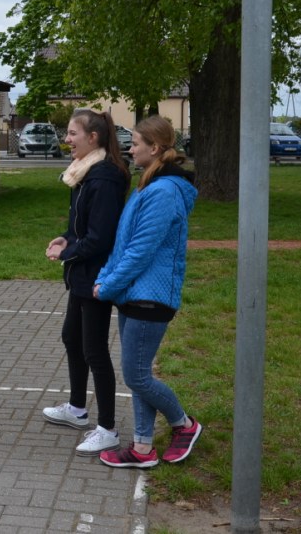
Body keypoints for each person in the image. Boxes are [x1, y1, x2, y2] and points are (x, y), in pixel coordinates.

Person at [93, 115, 202, 469]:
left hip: (151, 297)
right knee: (139, 375)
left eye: (136, 143)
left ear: (154, 148)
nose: (130, 147)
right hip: (134, 295)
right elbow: (124, 243)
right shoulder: (148, 186)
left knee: (137, 376)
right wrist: (107, 277)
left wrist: (108, 285)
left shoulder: (164, 192)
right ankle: (142, 448)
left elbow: (141, 251)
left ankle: (184, 424)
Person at [42, 109, 130, 455]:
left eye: (72, 133)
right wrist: (65, 239)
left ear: (93, 138)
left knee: (94, 350)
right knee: (71, 337)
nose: (67, 139)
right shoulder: (84, 173)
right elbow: (80, 228)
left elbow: (100, 238)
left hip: (95, 277)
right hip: (81, 273)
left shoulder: (104, 177)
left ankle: (107, 428)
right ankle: (77, 410)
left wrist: (69, 253)